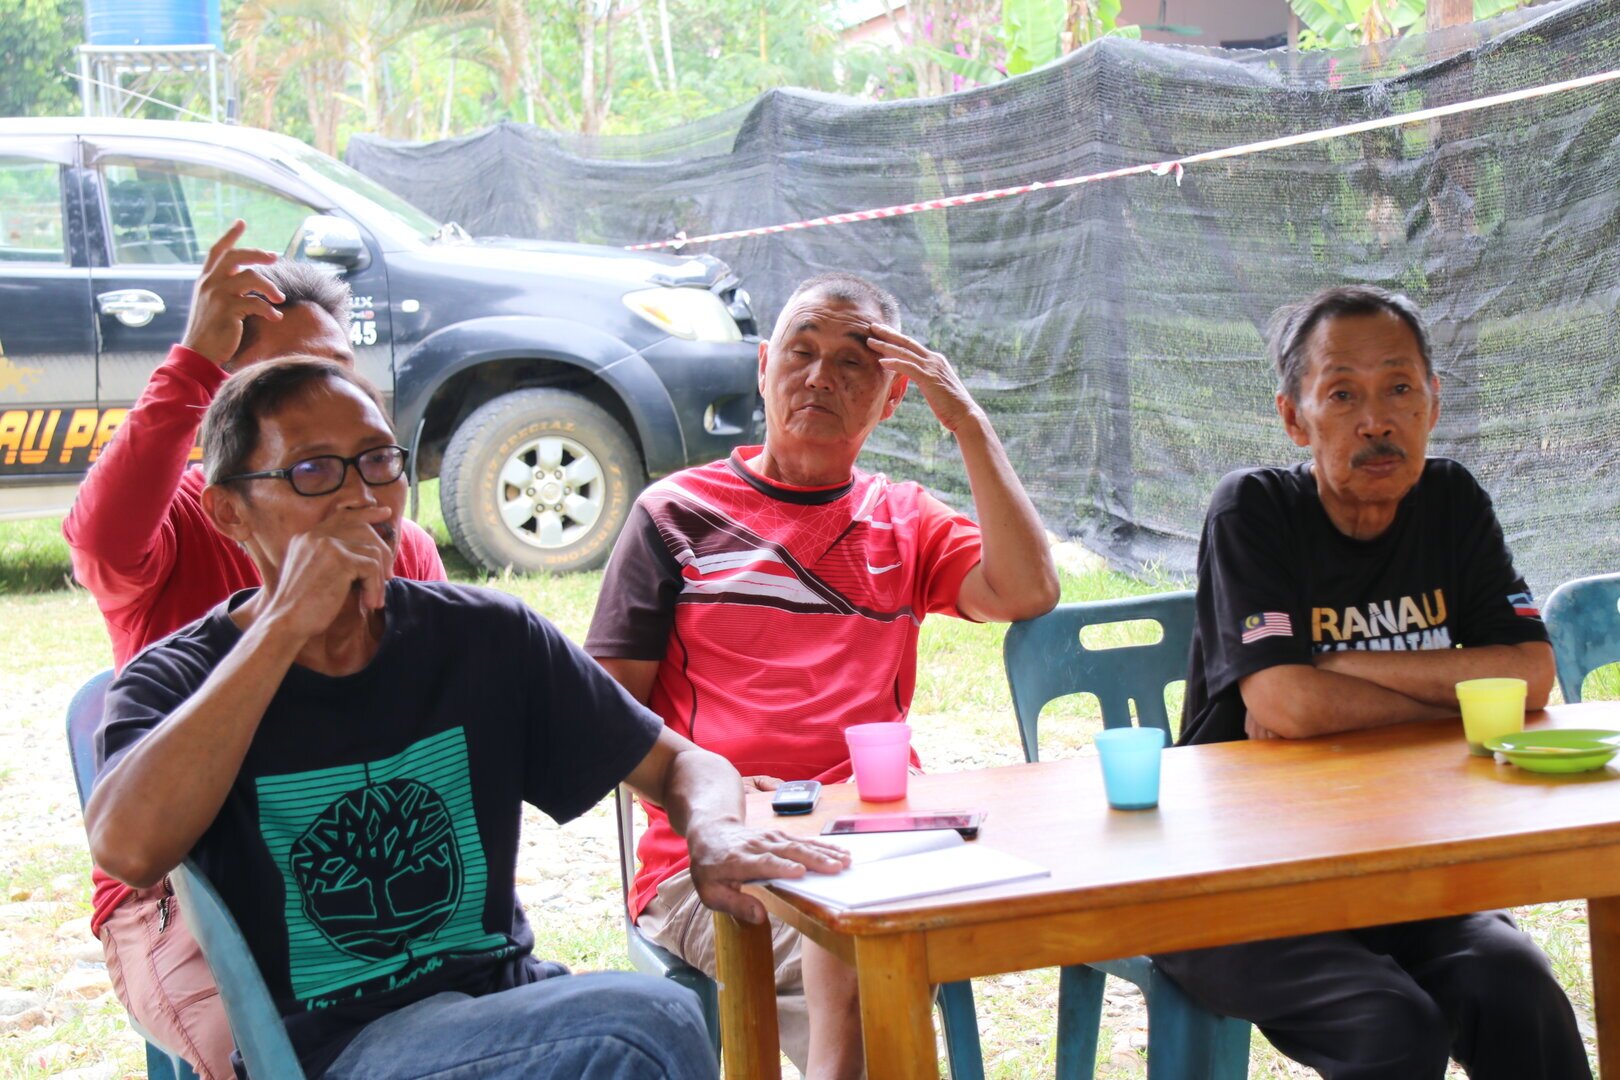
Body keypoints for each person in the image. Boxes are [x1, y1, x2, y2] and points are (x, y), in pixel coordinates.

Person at [86, 357, 848, 1080]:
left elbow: (683, 763)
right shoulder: (180, 678)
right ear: (228, 511)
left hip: (503, 1009)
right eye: (313, 471)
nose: (361, 497)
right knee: (644, 1027)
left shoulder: (481, 637)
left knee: (643, 1025)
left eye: (378, 462)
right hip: (335, 1051)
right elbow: (127, 850)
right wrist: (283, 627)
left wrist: (712, 828)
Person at [585, 272, 1059, 1077]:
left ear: (894, 397)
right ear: (763, 366)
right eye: (800, 352)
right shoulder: (675, 513)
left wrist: (969, 423)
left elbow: (1027, 590)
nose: (820, 377)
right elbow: (603, 717)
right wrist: (708, 798)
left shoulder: (904, 518)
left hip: (883, 841)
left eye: (853, 362)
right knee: (859, 950)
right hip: (716, 854)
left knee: (902, 929)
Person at [1158, 285, 1589, 1079]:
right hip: (1233, 884)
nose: (1376, 422)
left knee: (1517, 986)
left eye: (1398, 388)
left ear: (1433, 403)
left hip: (1397, 870)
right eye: (1342, 395)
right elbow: (1284, 703)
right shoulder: (1253, 510)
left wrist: (1335, 666)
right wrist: (1458, 692)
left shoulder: (1451, 501)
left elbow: (1531, 676)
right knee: (1392, 1026)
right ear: (1294, 418)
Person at [63, 222, 445, 1079]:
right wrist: (193, 359)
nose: (318, 402)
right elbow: (99, 540)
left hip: (355, 874)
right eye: (280, 381)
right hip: (190, 895)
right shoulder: (182, 526)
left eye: (333, 372)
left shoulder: (405, 548)